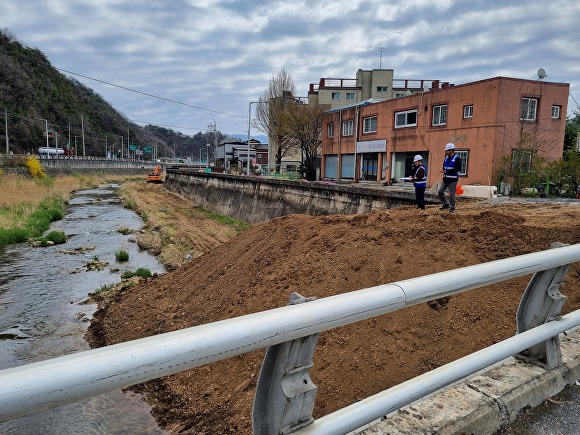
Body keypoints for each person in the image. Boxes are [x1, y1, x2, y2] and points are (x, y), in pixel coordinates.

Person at [438, 143, 461, 213]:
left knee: (452, 195)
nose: (445, 152)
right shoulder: (446, 158)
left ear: (451, 151)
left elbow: (458, 169)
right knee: (440, 191)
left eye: (446, 150)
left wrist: (447, 170)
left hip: (453, 180)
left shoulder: (457, 158)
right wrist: (443, 169)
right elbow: (444, 166)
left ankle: (452, 208)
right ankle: (445, 204)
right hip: (446, 179)